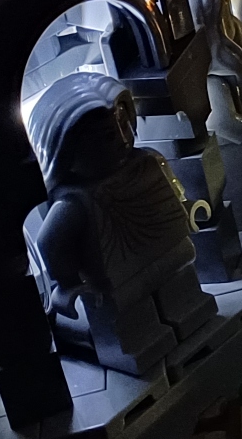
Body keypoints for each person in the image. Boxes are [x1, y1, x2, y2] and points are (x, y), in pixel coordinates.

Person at [28, 72, 216, 375]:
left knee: (184, 296)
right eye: (105, 134)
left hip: (173, 253)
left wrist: (186, 209)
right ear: (65, 148)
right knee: (134, 327)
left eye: (124, 122)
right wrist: (68, 283)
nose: (122, 137)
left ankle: (189, 311)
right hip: (118, 281)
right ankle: (136, 346)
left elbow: (172, 190)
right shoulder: (74, 202)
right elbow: (50, 242)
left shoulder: (148, 161)